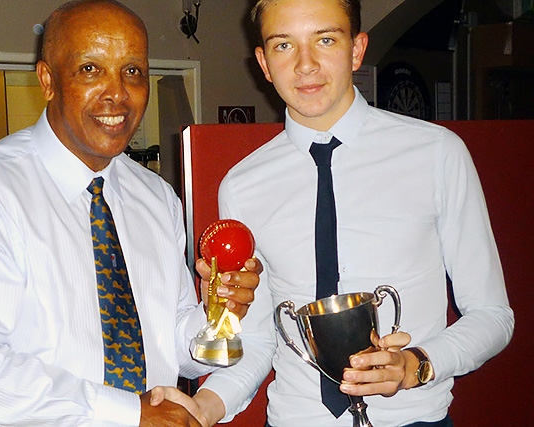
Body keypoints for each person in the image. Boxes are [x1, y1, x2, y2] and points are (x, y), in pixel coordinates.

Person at [157, 0, 514, 426]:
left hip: (413, 420)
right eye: (284, 45)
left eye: (325, 40)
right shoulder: (242, 185)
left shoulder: (437, 154)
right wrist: (207, 405)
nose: (305, 64)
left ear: (357, 50)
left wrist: (417, 364)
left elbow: (493, 316)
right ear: (264, 64)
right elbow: (257, 338)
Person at [0, 1, 259, 426]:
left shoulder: (156, 197)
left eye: (133, 71)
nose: (117, 92)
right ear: (48, 80)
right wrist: (129, 414)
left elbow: (174, 350)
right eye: (90, 69)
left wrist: (217, 317)